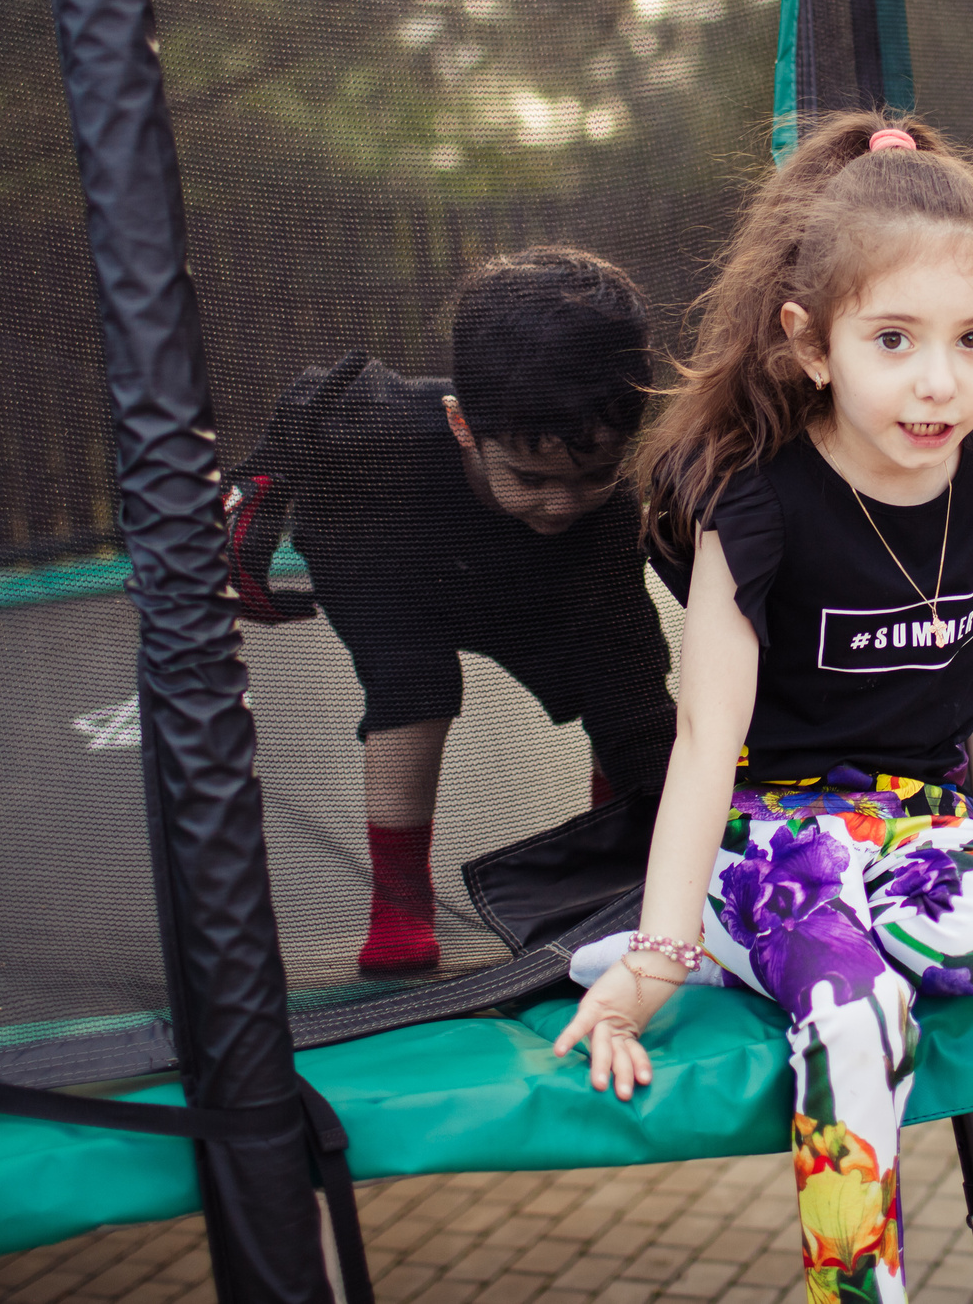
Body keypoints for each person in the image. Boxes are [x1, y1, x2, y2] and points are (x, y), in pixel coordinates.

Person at [552, 114, 973, 1304]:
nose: (938, 381)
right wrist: (655, 955)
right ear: (810, 343)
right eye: (893, 339)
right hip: (772, 829)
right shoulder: (756, 503)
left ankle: (788, 945)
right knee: (857, 1015)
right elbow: (704, 738)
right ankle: (851, 1283)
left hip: (912, 822)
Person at [226, 247, 675, 978]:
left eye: (595, 473)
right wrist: (253, 513)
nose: (561, 502)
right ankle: (400, 900)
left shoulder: (597, 516)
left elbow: (638, 712)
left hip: (546, 576)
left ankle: (624, 865)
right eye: (531, 477)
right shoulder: (375, 436)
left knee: (628, 696)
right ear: (463, 426)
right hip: (391, 544)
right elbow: (312, 400)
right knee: (412, 692)